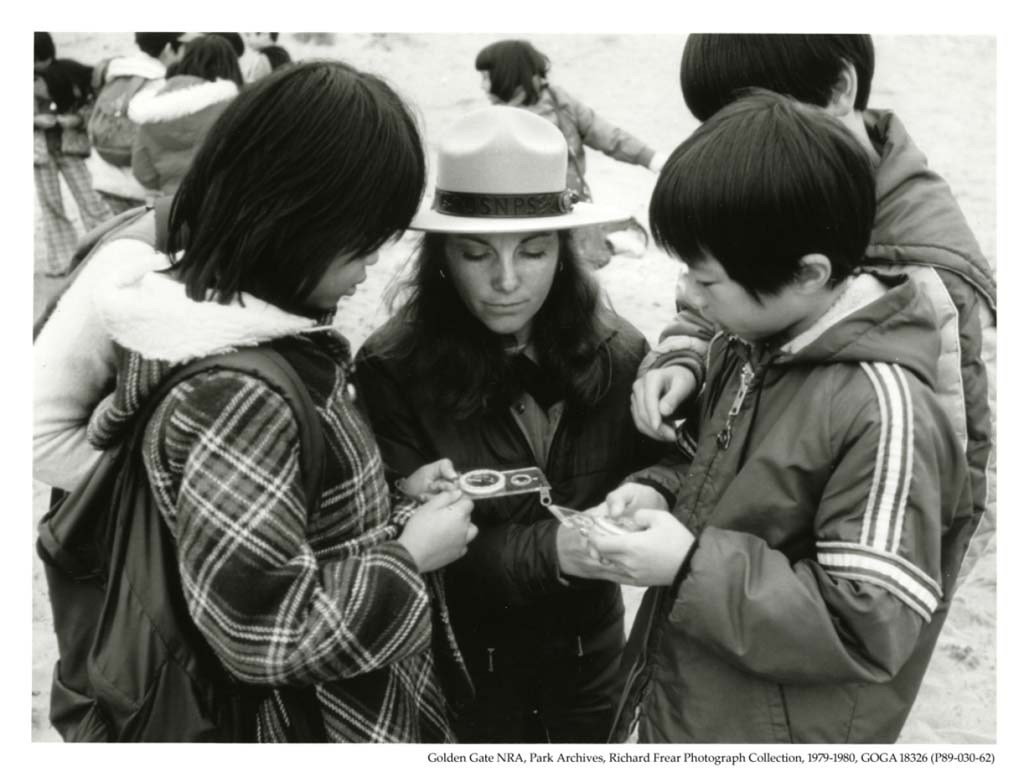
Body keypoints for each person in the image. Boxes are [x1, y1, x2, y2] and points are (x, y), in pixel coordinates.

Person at [36, 61, 478, 742]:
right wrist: (410, 556)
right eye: (362, 245)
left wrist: (391, 496)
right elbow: (267, 631)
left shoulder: (235, 332)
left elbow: (287, 517)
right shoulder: (235, 397)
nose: (369, 271)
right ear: (297, 218)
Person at [578, 91, 971, 744]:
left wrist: (688, 563)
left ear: (809, 272)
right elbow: (727, 475)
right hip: (692, 695)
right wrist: (661, 490)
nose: (687, 296)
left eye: (707, 281)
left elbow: (868, 623)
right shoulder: (748, 343)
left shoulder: (885, 411)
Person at [632, 34, 996, 588]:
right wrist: (684, 356)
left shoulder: (932, 279)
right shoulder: (760, 200)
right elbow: (718, 298)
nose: (742, 141)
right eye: (720, 124)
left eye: (762, 110)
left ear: (841, 88)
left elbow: (960, 477)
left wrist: (913, 604)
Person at [354, 105, 667, 743]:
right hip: (462, 665)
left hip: (593, 659)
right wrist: (553, 551)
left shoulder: (623, 351)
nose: (505, 281)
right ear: (441, 257)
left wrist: (657, 486)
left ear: (566, 248)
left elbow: (682, 462)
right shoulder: (391, 368)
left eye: (532, 251)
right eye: (475, 254)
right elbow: (401, 540)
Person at [474, 39, 666, 265]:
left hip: (569, 205)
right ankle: (608, 243)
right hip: (530, 216)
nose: (483, 87)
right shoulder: (499, 121)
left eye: (487, 77)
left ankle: (606, 244)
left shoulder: (557, 102)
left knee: (573, 263)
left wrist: (650, 158)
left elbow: (604, 133)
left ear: (508, 75)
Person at [33, 32, 113, 276]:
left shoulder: (72, 72)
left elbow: (95, 104)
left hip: (68, 144)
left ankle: (106, 253)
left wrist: (76, 119)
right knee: (54, 205)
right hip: (40, 149)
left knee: (90, 200)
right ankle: (65, 262)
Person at [129, 35, 242, 195]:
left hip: (173, 202)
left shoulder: (153, 107)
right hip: (221, 202)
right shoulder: (236, 108)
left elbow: (142, 171)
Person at [86, 32, 185, 214]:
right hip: (141, 188)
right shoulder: (160, 83)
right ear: (168, 48)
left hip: (105, 176)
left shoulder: (117, 72)